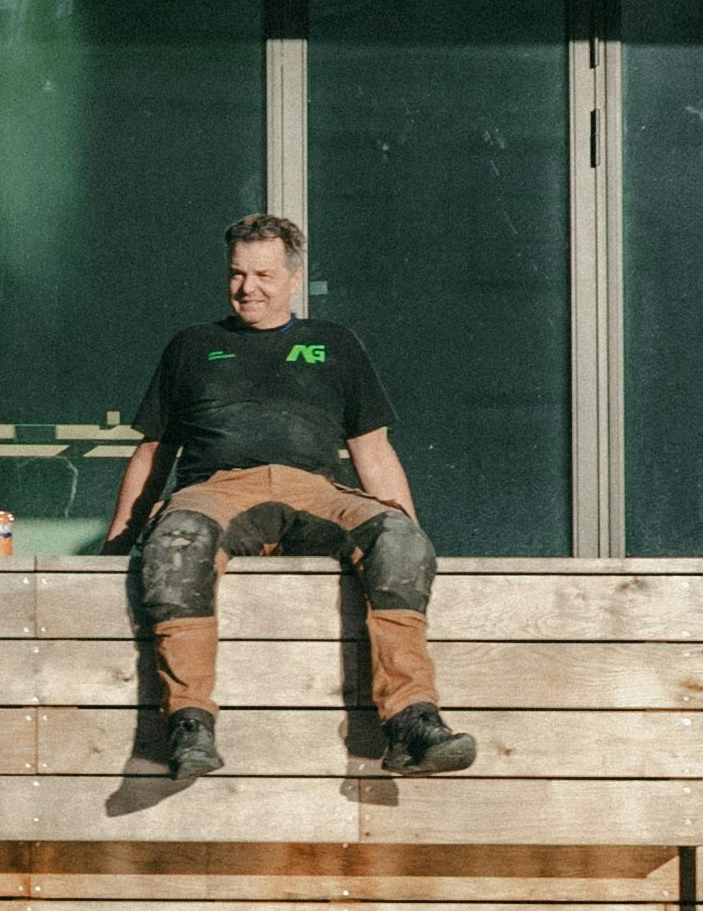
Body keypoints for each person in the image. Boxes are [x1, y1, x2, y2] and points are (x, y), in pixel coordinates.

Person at [107, 211, 477, 782]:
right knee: (177, 541)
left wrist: (414, 534)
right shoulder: (192, 346)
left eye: (263, 275)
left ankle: (411, 721)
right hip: (217, 490)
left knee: (399, 540)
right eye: (236, 274)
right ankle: (189, 723)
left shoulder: (334, 344)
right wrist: (121, 540)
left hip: (316, 492)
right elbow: (154, 452)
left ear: (294, 278)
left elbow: (373, 451)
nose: (247, 288)